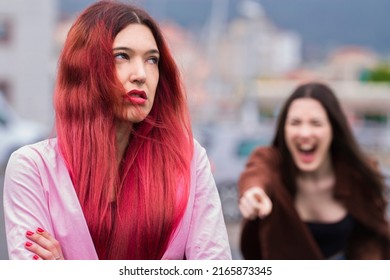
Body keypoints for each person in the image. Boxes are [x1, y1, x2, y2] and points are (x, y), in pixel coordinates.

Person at [3, 0, 231, 260]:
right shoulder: (31, 169)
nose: (141, 74)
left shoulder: (188, 161)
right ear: (84, 69)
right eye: (122, 56)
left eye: (152, 60)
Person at [238, 81, 390, 259]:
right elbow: (257, 172)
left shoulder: (357, 174)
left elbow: (372, 239)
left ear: (333, 128)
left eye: (316, 123)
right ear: (283, 129)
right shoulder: (273, 163)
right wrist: (254, 193)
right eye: (295, 123)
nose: (304, 133)